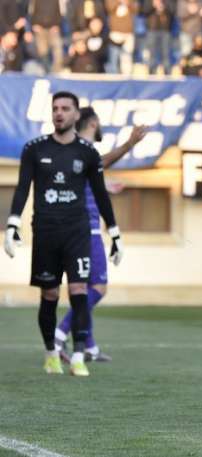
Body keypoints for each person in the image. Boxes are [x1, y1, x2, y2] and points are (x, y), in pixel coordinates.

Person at [3, 91, 123, 377]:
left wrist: (115, 232)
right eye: (55, 108)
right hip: (46, 230)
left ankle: (79, 355)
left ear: (76, 114)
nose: (59, 112)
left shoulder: (88, 153)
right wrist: (13, 223)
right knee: (50, 293)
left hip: (77, 231)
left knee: (79, 289)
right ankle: (51, 352)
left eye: (65, 108)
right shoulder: (35, 149)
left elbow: (100, 194)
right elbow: (22, 188)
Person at [54, 107, 147, 363]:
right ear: (93, 123)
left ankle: (90, 347)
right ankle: (60, 333)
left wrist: (103, 185)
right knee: (98, 288)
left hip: (76, 228)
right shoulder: (83, 148)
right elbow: (98, 163)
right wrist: (129, 143)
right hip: (87, 230)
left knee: (84, 289)